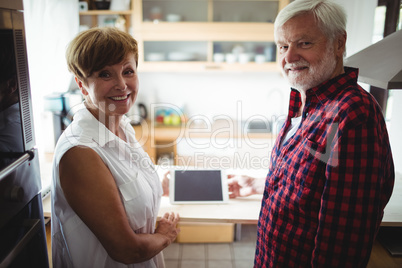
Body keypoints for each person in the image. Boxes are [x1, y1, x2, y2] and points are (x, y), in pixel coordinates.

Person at [228, 0, 395, 267]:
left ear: (339, 43)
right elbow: (310, 190)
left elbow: (343, 242)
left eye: (304, 43)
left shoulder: (352, 115)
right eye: (283, 46)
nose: (289, 57)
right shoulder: (306, 104)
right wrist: (258, 185)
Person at [51, 27, 180, 268]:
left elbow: (122, 187)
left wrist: (157, 183)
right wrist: (165, 236)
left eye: (128, 71)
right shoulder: (81, 152)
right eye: (105, 75)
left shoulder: (123, 127)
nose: (122, 85)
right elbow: (127, 250)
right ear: (82, 84)